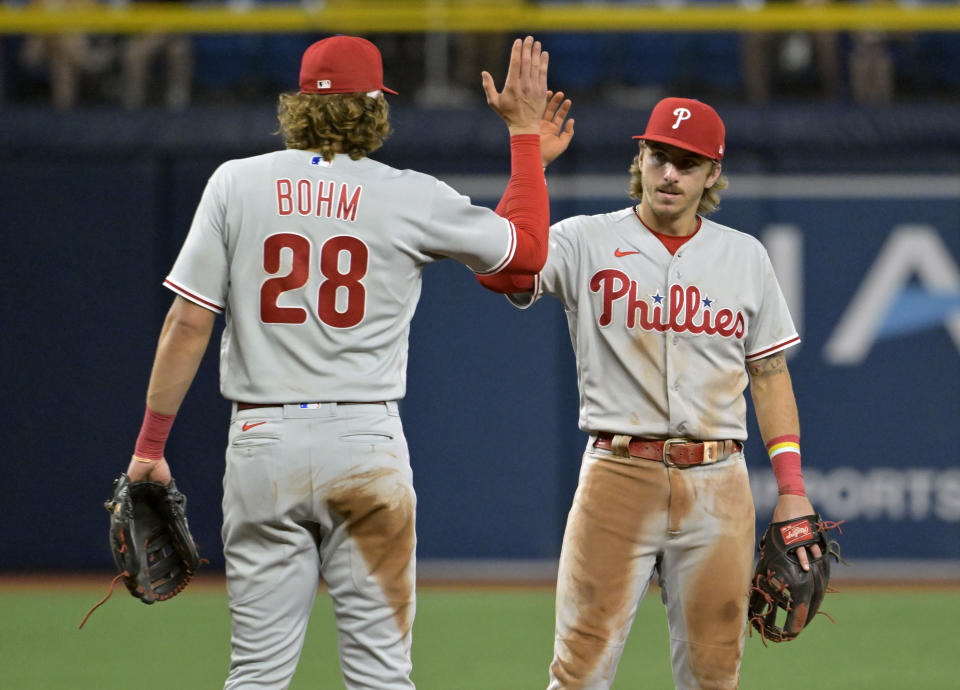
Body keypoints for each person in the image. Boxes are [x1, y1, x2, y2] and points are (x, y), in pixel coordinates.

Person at [122, 34, 550, 689]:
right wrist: (524, 141)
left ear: (297, 104)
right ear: (375, 107)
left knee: (256, 674)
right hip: (365, 442)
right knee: (381, 676)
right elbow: (522, 260)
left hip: (263, 440)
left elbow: (187, 322)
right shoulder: (407, 193)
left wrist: (150, 447)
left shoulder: (235, 183)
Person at [477, 96, 823, 689]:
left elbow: (769, 376)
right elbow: (502, 270)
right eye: (659, 156)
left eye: (686, 164)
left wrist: (791, 490)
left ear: (712, 174)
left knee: (715, 678)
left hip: (719, 484)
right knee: (577, 675)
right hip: (617, 475)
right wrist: (529, 162)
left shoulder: (744, 256)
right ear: (640, 157)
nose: (669, 174)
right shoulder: (585, 239)